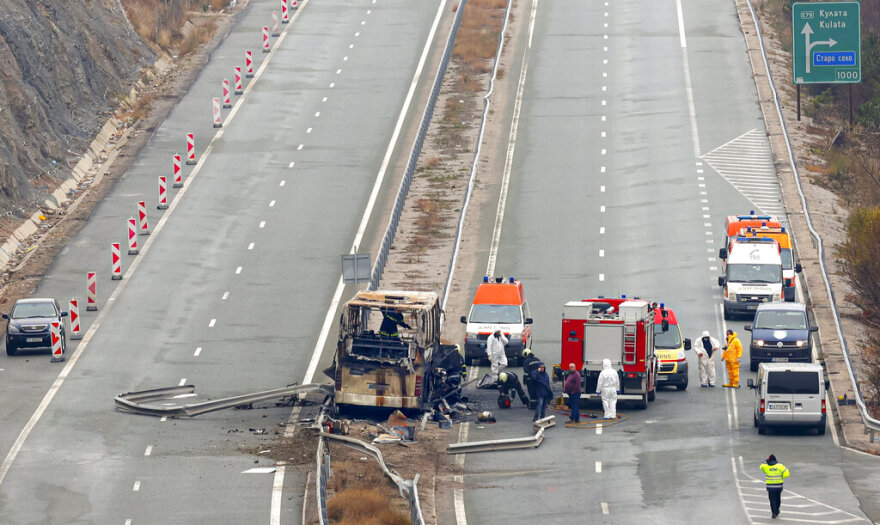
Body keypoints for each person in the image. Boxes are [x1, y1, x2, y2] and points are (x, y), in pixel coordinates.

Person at [760, 454, 790, 519]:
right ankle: (777, 510)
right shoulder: (780, 466)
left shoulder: (766, 467)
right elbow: (787, 473)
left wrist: (765, 461)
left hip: (770, 487)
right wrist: (782, 477)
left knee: (772, 500)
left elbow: (761, 466)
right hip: (779, 486)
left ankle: (774, 513)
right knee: (778, 498)